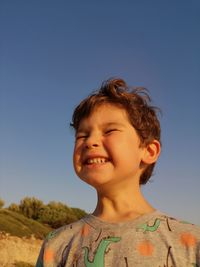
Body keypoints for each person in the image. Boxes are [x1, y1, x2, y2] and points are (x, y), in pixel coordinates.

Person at [36, 78, 200, 267]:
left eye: (109, 131)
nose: (90, 142)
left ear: (148, 151)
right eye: (82, 135)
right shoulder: (56, 244)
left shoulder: (190, 243)